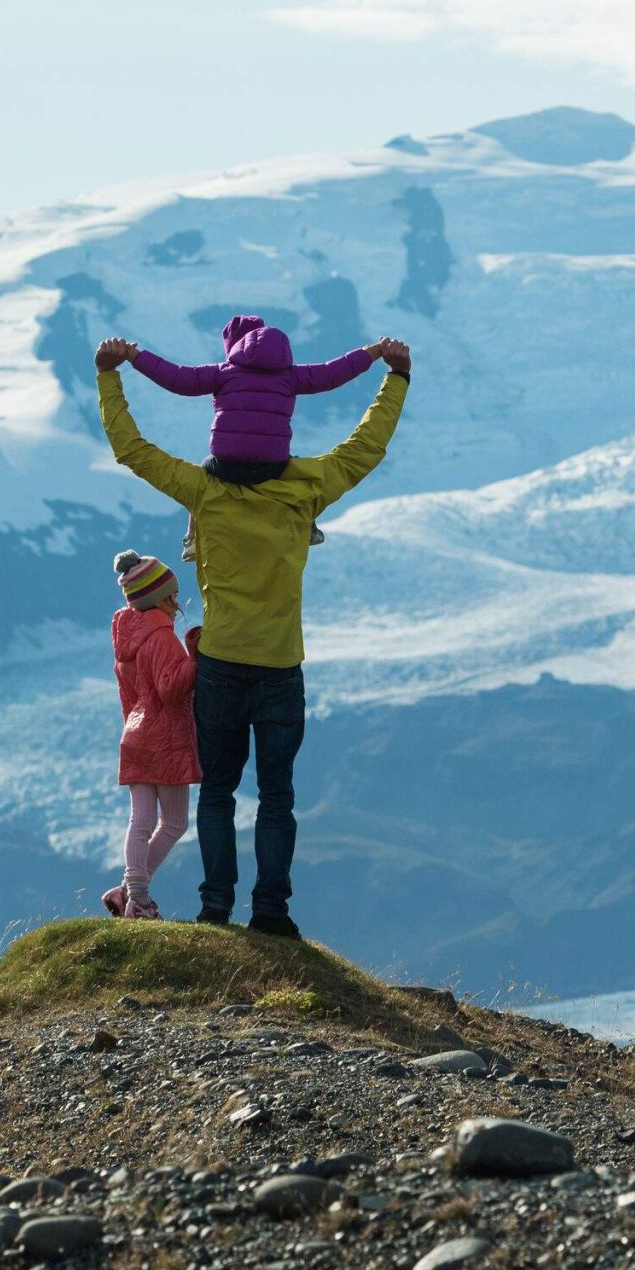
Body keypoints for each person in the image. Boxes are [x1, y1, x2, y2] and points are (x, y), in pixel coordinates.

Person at [92, 333, 412, 938]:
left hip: (219, 664)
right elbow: (366, 448)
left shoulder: (204, 491)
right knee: (277, 797)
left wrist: (111, 375)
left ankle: (215, 908)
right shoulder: (306, 486)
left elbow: (132, 450)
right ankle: (271, 913)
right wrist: (395, 378)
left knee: (215, 794)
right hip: (280, 665)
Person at [121, 316, 384, 553]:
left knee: (202, 474)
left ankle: (192, 537)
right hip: (272, 467)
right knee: (297, 470)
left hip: (226, 467)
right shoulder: (291, 376)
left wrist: (135, 356)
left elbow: (177, 378)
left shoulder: (223, 374)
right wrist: (372, 352)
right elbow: (333, 372)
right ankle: (309, 527)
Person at [103, 549, 200, 922]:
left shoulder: (125, 643)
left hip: (135, 735)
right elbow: (171, 689)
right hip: (165, 738)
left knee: (139, 820)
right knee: (173, 823)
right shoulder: (162, 638)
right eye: (172, 596)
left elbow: (129, 696)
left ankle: (129, 893)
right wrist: (195, 658)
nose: (177, 603)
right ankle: (136, 897)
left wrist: (134, 732)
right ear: (157, 598)